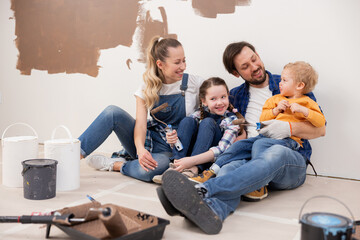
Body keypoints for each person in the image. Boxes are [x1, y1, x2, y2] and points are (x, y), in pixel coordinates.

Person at [157, 41, 326, 234]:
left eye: (254, 59)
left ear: (257, 54)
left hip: (288, 157)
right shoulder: (235, 96)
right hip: (248, 156)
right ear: (236, 73)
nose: (254, 67)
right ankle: (212, 211)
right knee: (227, 169)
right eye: (245, 66)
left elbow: (321, 130)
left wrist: (288, 128)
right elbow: (215, 121)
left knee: (274, 153)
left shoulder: (292, 83)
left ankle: (202, 191)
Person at [79, 36, 204, 182]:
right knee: (111, 112)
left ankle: (117, 165)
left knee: (155, 169)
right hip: (148, 142)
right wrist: (140, 149)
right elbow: (140, 126)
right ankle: (72, 157)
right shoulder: (148, 87)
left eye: (184, 60)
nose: (183, 66)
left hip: (173, 152)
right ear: (160, 64)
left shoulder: (195, 84)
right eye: (177, 62)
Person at [190, 61, 325, 184]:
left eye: (284, 80)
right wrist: (276, 110)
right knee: (238, 149)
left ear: (300, 85)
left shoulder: (307, 101)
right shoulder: (273, 99)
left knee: (261, 145)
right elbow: (263, 118)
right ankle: (212, 172)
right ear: (236, 73)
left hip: (288, 142)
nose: (280, 83)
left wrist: (304, 112)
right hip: (263, 138)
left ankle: (257, 182)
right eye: (245, 66)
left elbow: (321, 124)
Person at [152, 77, 245, 183]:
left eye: (223, 97)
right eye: (213, 99)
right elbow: (184, 137)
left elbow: (222, 150)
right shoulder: (199, 113)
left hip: (205, 160)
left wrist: (191, 162)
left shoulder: (232, 121)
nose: (219, 102)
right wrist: (173, 140)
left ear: (228, 96)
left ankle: (193, 169)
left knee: (208, 122)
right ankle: (176, 166)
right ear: (204, 101)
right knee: (187, 121)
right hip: (186, 159)